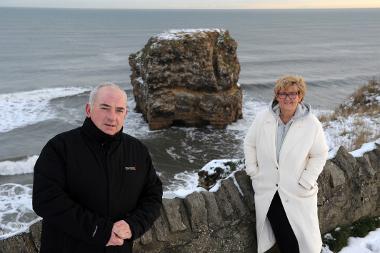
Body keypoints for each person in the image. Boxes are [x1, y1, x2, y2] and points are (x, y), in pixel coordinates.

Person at [33, 83, 163, 253]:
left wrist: (133, 225)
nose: (112, 117)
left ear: (125, 114)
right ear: (89, 109)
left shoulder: (137, 151)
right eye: (105, 108)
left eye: (119, 110)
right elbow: (46, 200)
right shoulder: (60, 147)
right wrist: (98, 230)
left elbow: (153, 196)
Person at [244, 75, 328, 253]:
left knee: (303, 237)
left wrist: (307, 180)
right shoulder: (263, 118)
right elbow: (249, 143)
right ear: (276, 96)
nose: (288, 98)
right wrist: (253, 170)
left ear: (300, 96)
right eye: (283, 94)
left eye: (293, 94)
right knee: (283, 236)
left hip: (297, 190)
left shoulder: (311, 124)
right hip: (269, 190)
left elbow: (320, 154)